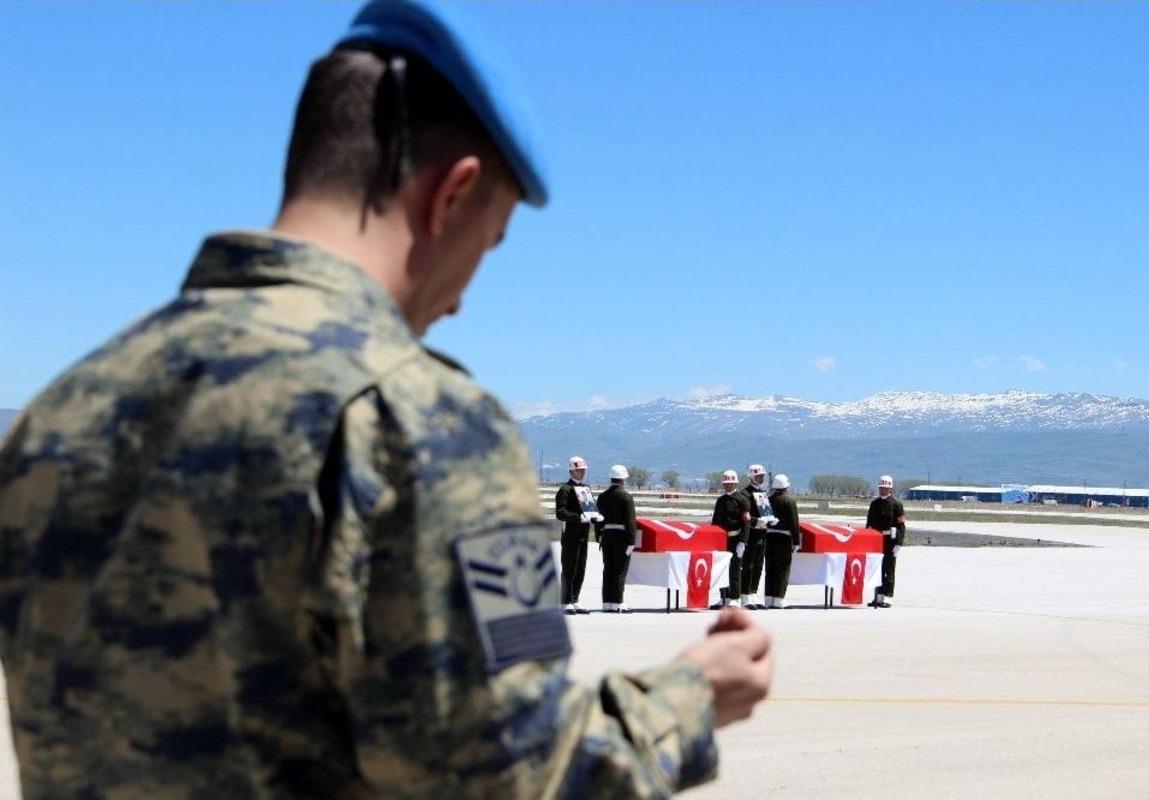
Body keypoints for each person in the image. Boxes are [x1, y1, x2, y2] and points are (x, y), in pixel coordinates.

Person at [0, 2, 774, 797]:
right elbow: (510, 778)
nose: (463, 299)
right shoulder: (418, 422)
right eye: (491, 240)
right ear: (453, 194)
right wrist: (688, 699)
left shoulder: (61, 411)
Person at [555, 455, 600, 614]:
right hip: (570, 535)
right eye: (578, 470)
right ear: (571, 471)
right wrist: (577, 517)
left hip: (583, 534)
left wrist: (596, 517)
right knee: (569, 568)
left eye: (583, 470)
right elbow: (560, 513)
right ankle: (565, 601)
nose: (581, 472)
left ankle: (575, 598)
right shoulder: (565, 489)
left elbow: (590, 509)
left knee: (580, 568)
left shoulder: (586, 489)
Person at [596, 464, 637, 613]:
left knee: (608, 570)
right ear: (623, 480)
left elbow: (598, 519)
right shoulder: (626, 496)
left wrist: (599, 536)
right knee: (619, 570)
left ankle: (606, 602)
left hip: (606, 537)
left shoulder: (602, 496)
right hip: (621, 538)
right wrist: (632, 540)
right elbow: (630, 521)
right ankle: (617, 602)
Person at [739, 464, 777, 609]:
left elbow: (766, 513)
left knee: (758, 565)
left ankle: (753, 593)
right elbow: (746, 516)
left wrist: (771, 519)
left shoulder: (762, 493)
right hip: (751, 534)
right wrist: (756, 521)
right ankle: (745, 595)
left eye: (762, 476)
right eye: (758, 476)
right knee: (748, 565)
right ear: (751, 477)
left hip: (762, 534)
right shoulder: (745, 494)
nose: (761, 478)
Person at [711, 469, 751, 608]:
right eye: (725, 483)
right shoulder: (720, 500)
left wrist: (743, 542)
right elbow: (715, 521)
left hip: (735, 539)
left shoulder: (742, 500)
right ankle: (724, 597)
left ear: (735, 483)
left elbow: (746, 523)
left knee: (734, 569)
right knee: (721, 569)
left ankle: (735, 597)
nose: (727, 485)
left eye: (730, 483)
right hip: (721, 540)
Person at [866, 474, 907, 608]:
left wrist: (899, 543)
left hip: (890, 541)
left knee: (888, 569)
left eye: (885, 488)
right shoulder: (874, 504)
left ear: (890, 489)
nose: (882, 490)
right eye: (881, 487)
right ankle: (877, 597)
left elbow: (901, 526)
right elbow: (868, 524)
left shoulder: (896, 505)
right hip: (876, 540)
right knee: (876, 569)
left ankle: (887, 596)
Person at [764, 474, 801, 609]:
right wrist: (796, 542)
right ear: (787, 486)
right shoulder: (789, 502)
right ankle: (779, 598)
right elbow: (794, 524)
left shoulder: (766, 500)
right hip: (784, 538)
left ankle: (768, 598)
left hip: (768, 537)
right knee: (783, 569)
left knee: (770, 569)